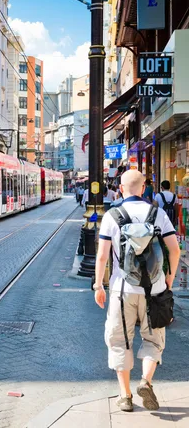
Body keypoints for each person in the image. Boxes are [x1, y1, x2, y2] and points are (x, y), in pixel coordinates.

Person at [94, 170, 180, 413]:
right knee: (154, 338)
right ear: (143, 188)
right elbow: (174, 250)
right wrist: (170, 277)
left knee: (120, 340)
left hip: (122, 290)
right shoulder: (158, 213)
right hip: (156, 289)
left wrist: (99, 285)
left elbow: (102, 256)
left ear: (120, 189)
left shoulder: (113, 215)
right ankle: (146, 381)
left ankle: (125, 395)